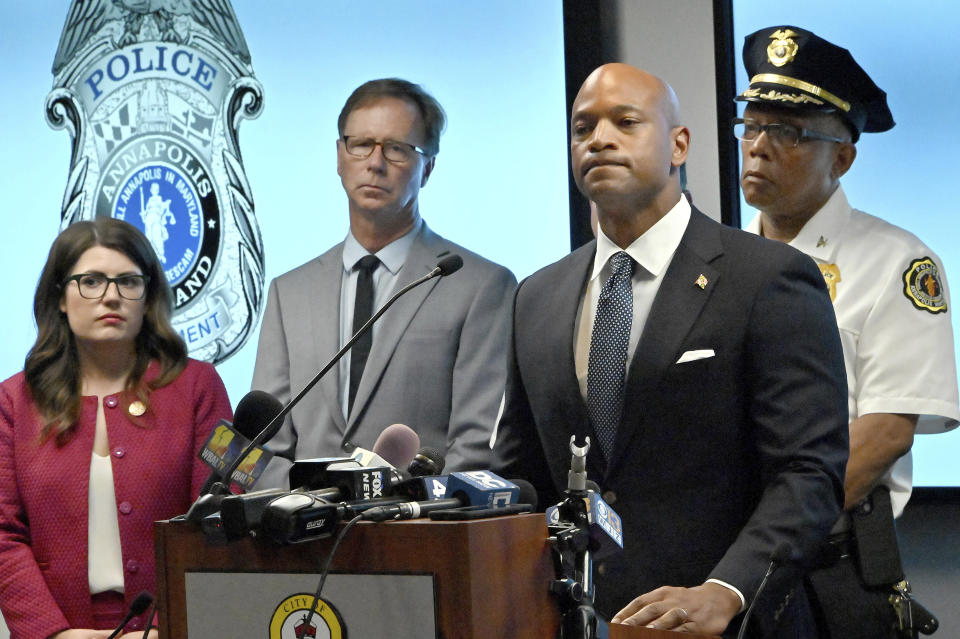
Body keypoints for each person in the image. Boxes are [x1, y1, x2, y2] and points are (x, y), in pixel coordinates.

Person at [492, 62, 849, 637]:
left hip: (729, 622)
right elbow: (522, 476)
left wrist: (726, 591)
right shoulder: (537, 296)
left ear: (678, 144)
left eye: (625, 122)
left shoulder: (767, 278)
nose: (599, 139)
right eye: (583, 128)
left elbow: (808, 473)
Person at [735, 26, 959, 638]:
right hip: (716, 566)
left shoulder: (898, 262)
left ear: (842, 156)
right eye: (751, 126)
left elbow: (886, 431)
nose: (758, 147)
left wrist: (762, 539)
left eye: (787, 132)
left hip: (830, 568)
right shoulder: (715, 261)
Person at [252, 78, 516, 487]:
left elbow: (476, 447)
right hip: (306, 542)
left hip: (419, 537)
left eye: (396, 149)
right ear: (339, 156)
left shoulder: (480, 286)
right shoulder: (289, 293)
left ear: (427, 167)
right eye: (360, 144)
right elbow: (265, 446)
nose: (374, 163)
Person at [0, 218, 232, 638]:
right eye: (90, 281)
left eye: (128, 282)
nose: (111, 296)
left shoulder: (199, 387)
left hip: (177, 627)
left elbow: (222, 517)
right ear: (61, 298)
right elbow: (2, 534)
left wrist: (168, 627)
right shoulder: (13, 402)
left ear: (148, 297)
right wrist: (53, 633)